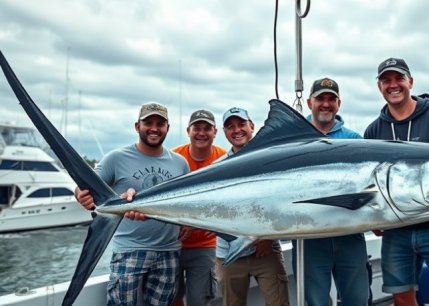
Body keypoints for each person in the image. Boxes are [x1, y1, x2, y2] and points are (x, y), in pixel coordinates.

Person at [364, 58, 429, 306]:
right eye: (386, 80)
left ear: (410, 81)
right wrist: (374, 218)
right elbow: (371, 183)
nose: (393, 85)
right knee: (401, 298)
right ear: (379, 86)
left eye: (399, 78)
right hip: (396, 232)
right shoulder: (372, 132)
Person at [75, 102, 189, 305]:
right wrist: (80, 195)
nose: (154, 128)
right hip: (129, 250)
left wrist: (187, 223)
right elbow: (86, 186)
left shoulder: (180, 163)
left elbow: (185, 202)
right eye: (148, 123)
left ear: (167, 128)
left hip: (169, 251)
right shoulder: (115, 158)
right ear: (137, 126)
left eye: (160, 123)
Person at [293, 77, 370, 306]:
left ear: (338, 103)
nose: (326, 104)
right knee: (315, 301)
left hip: (350, 234)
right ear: (309, 102)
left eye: (331, 99)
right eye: (320, 99)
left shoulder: (354, 140)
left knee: (358, 299)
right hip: (310, 236)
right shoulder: (295, 140)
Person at [214, 107, 290, 306]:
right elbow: (214, 210)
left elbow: (281, 201)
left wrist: (267, 236)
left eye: (241, 124)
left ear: (252, 126)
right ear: (224, 132)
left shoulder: (272, 159)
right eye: (230, 127)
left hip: (266, 251)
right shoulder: (218, 167)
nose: (237, 130)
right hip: (229, 253)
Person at [171, 109, 227, 306]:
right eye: (197, 128)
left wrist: (195, 224)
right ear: (188, 130)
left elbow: (224, 204)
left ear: (215, 132)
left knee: (199, 300)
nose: (201, 133)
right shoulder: (174, 158)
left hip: (205, 245)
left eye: (207, 128)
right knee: (172, 297)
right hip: (172, 243)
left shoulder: (224, 159)